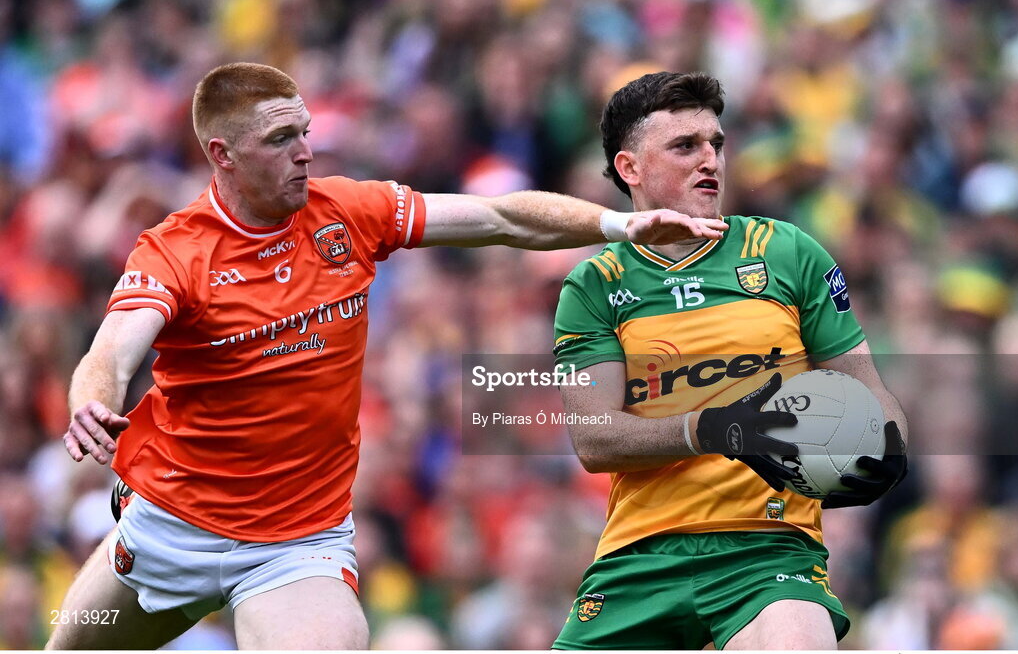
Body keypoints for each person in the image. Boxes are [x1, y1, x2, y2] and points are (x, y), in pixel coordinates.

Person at [50, 62, 727, 650]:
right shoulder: (176, 251)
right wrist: (92, 401)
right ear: (222, 155)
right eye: (281, 139)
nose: (306, 152)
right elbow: (111, 350)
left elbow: (501, 218)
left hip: (295, 544)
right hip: (173, 525)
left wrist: (617, 224)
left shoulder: (349, 211)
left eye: (305, 130)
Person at [551, 71, 908, 650]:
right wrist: (715, 428)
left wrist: (889, 444)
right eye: (685, 146)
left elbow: (867, 385)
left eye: (716, 144)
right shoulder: (593, 285)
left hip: (768, 551)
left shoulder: (786, 252)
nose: (709, 160)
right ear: (629, 168)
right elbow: (595, 439)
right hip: (639, 554)